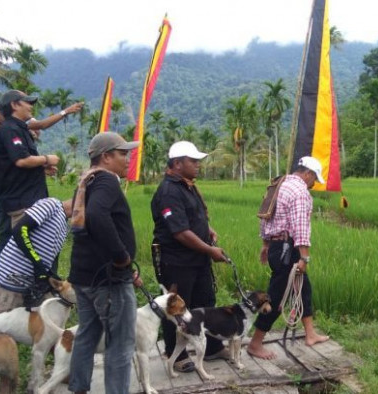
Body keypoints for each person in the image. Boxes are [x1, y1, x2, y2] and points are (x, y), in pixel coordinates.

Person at [67, 132, 140, 394]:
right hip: (107, 280)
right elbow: (97, 216)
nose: (127, 158)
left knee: (87, 334)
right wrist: (122, 257)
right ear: (106, 157)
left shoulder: (86, 181)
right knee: (120, 343)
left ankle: (78, 388)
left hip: (84, 275)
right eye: (122, 153)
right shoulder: (107, 181)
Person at [150, 140, 228, 372]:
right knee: (176, 309)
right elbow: (181, 232)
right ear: (177, 163)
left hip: (197, 259)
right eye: (193, 161)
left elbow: (194, 218)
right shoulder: (169, 191)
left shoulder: (187, 185)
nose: (197, 165)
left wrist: (208, 230)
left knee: (206, 303)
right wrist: (210, 250)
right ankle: (177, 354)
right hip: (177, 261)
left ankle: (212, 347)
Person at [247, 156, 330, 359]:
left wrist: (266, 244)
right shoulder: (300, 192)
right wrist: (304, 258)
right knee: (277, 297)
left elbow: (265, 214)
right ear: (308, 174)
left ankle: (310, 334)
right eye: (314, 180)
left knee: (303, 289)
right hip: (288, 249)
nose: (313, 184)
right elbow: (300, 227)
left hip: (277, 246)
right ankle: (255, 343)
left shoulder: (279, 183)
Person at [0, 101, 82, 254]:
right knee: (7, 232)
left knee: (17, 232)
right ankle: (4, 268)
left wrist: (41, 168)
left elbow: (40, 125)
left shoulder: (12, 129)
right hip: (0, 190)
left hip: (15, 188)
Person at [0, 198, 73, 316]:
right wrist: (37, 262)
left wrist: (49, 274)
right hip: (10, 281)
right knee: (2, 329)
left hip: (27, 284)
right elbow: (20, 230)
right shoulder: (52, 205)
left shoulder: (64, 224)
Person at [0, 90, 60, 227]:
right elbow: (22, 160)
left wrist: (41, 170)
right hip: (23, 203)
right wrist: (47, 159)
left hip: (32, 200)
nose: (31, 106)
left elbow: (15, 165)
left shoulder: (21, 128)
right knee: (28, 245)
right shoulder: (10, 129)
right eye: (27, 102)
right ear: (15, 105)